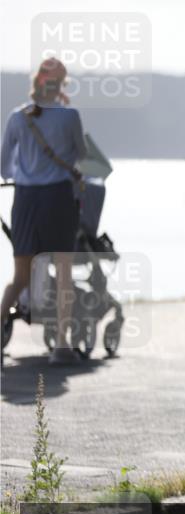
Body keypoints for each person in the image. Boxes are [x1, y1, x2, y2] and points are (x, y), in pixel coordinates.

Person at [0, 58, 86, 366]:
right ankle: (61, 347)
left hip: (25, 200)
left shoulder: (17, 117)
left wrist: (26, 173)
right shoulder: (69, 116)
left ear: (36, 82)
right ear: (61, 84)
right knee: (63, 273)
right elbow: (82, 155)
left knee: (20, 275)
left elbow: (4, 165)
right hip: (58, 199)